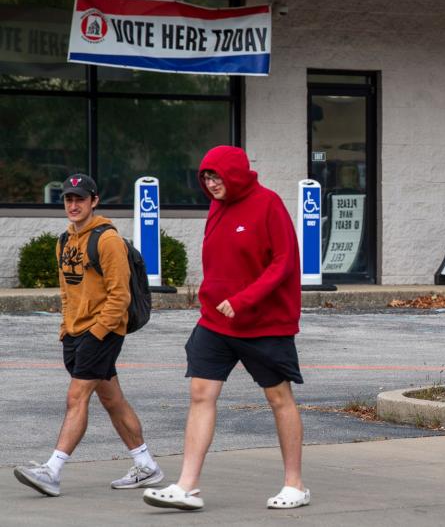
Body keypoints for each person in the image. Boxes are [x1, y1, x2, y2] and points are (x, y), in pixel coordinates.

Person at [144, 146, 308, 511]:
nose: (212, 184)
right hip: (216, 321)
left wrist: (244, 300)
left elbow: (283, 262)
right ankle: (187, 486)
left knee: (278, 398)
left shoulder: (269, 204)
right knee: (201, 393)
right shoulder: (218, 206)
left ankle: (295, 485)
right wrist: (210, 299)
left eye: (217, 176)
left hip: (264, 323)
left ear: (235, 174)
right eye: (206, 177)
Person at [13, 173, 162, 497]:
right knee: (112, 400)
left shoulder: (106, 240)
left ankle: (52, 470)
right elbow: (67, 291)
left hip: (104, 331)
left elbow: (119, 296)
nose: (74, 204)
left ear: (94, 201)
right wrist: (66, 327)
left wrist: (97, 332)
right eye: (68, 199)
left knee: (75, 397)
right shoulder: (64, 241)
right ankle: (146, 464)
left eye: (80, 198)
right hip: (76, 332)